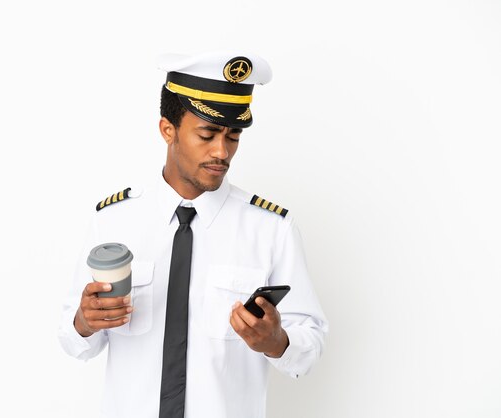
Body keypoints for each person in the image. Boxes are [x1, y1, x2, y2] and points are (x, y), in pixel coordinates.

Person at [58, 50, 328, 418]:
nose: (222, 151)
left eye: (233, 136)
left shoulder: (270, 228)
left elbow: (309, 344)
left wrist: (277, 341)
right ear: (167, 129)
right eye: (207, 133)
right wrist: (84, 322)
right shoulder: (114, 220)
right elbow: (74, 343)